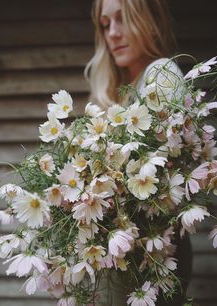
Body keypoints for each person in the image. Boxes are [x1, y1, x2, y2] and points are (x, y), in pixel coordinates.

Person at [84, 0, 193, 305]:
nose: (113, 33)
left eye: (123, 19)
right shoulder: (113, 91)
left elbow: (154, 172)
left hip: (150, 254)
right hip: (120, 253)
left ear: (150, 20)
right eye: (106, 25)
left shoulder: (161, 73)